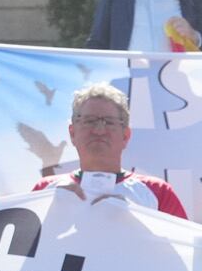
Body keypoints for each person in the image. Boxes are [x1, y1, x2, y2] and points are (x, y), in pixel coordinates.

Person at [31, 84, 188, 218]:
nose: (99, 130)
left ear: (125, 136)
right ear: (72, 133)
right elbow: (17, 248)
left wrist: (136, 218)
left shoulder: (158, 192)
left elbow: (187, 249)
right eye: (89, 121)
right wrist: (50, 210)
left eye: (109, 122)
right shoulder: (46, 190)